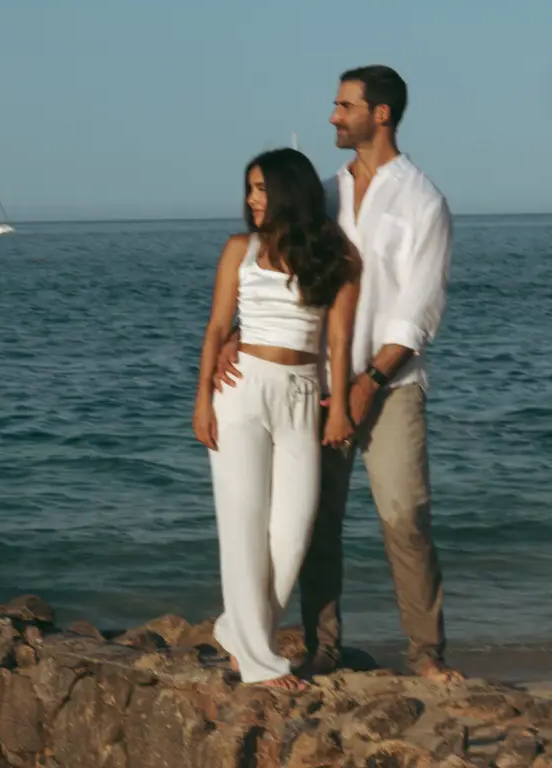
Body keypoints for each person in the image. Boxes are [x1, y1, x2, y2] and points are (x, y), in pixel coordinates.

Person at [217, 66, 457, 682]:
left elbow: (418, 312)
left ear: (380, 114)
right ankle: (323, 647)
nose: (332, 116)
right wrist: (238, 338)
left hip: (390, 384)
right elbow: (283, 276)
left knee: (404, 516)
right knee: (314, 521)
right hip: (315, 387)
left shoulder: (423, 201)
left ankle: (426, 654)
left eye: (344, 105)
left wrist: (366, 383)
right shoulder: (321, 193)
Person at [194, 149, 360, 690]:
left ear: (289, 191)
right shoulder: (239, 250)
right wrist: (201, 400)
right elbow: (219, 328)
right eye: (249, 189)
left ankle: (236, 630)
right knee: (242, 526)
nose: (252, 199)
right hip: (240, 391)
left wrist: (338, 406)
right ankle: (260, 663)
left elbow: (339, 338)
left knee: (292, 532)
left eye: (262, 188)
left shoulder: (335, 253)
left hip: (302, 395)